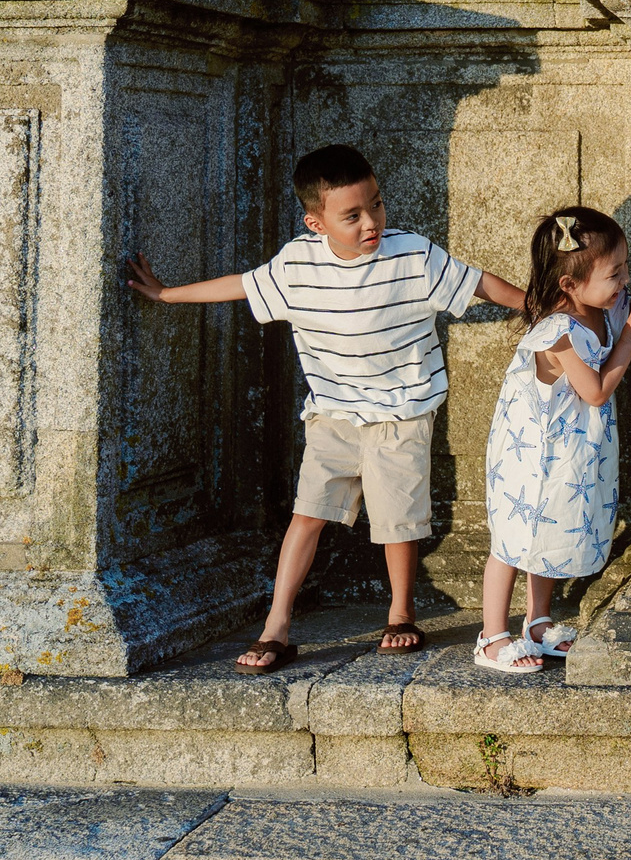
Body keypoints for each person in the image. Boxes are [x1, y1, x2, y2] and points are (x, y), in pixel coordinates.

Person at [125, 144, 526, 671]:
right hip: (333, 414)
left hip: (401, 413)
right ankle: (277, 626)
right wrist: (168, 295)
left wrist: (542, 304)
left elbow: (480, 284)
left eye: (376, 205)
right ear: (315, 222)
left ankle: (401, 613)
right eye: (353, 215)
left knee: (397, 521)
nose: (371, 222)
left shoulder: (412, 254)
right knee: (307, 514)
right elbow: (242, 286)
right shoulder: (297, 264)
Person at [476, 207, 631, 673]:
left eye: (624, 269)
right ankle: (491, 636)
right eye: (613, 273)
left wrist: (624, 308)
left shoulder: (597, 309)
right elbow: (596, 392)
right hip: (531, 456)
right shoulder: (557, 333)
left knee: (548, 535)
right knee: (513, 540)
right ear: (570, 286)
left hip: (567, 452)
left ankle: (537, 623)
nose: (623, 280)